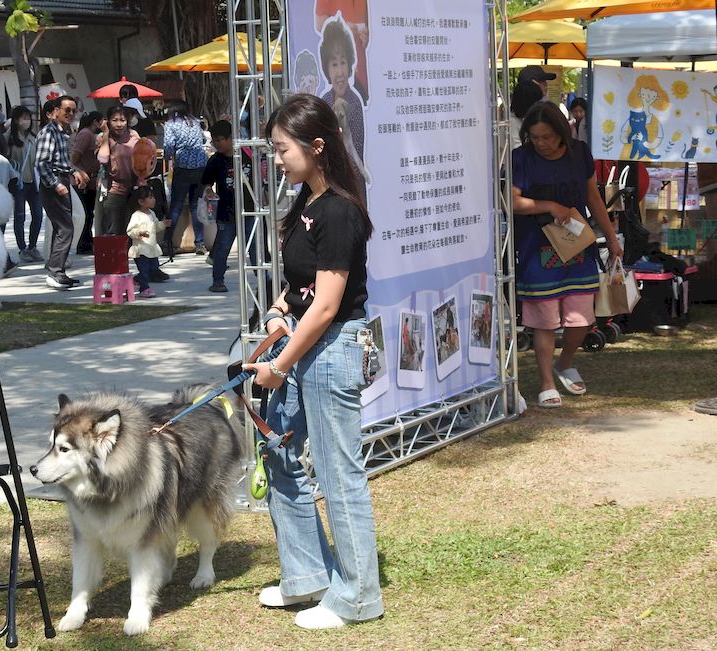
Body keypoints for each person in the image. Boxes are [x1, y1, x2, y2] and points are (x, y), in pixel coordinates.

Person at [243, 94, 383, 630]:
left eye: (283, 149)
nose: (277, 159)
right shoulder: (307, 201)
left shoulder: (340, 211)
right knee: (279, 452)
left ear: (316, 146)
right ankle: (307, 577)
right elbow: (303, 285)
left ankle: (357, 597)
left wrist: (278, 366)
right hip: (303, 345)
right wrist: (279, 310)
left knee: (337, 473)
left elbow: (326, 306)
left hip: (332, 349)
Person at [512, 102, 623, 408]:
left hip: (578, 243)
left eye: (547, 137)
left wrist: (611, 237)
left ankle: (565, 362)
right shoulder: (521, 158)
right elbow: (513, 202)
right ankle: (546, 381)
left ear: (561, 132)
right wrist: (549, 206)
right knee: (545, 319)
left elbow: (593, 197)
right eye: (535, 137)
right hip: (535, 245)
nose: (541, 143)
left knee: (580, 317)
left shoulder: (579, 153)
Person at [35, 95, 89, 290]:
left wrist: (74, 172)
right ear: (55, 111)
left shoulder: (61, 132)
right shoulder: (48, 132)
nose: (71, 114)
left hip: (62, 179)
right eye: (67, 110)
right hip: (53, 184)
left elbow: (62, 162)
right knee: (65, 228)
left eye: (74, 110)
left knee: (63, 228)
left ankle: (58, 272)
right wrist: (56, 184)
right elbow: (42, 163)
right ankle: (55, 272)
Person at [201, 119, 256, 293]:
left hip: (250, 210)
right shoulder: (215, 161)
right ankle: (218, 281)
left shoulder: (248, 154)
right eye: (214, 141)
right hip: (226, 213)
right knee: (222, 248)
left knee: (254, 247)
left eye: (220, 140)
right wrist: (208, 191)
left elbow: (259, 179)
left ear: (231, 137)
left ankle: (264, 278)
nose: (216, 144)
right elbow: (206, 182)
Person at [319, 18, 366, 203]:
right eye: (334, 64)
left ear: (350, 65)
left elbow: (358, 151)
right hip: (330, 187)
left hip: (354, 188)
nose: (339, 72)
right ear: (327, 69)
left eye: (343, 62)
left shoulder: (355, 103)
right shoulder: (324, 102)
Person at [163, 101, 209, 255]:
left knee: (176, 205)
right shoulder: (194, 121)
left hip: (183, 166)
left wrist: (167, 157)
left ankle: (167, 242)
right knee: (196, 205)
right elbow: (203, 140)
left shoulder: (171, 124)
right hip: (200, 166)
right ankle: (200, 243)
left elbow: (169, 146)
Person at [5, 105, 44, 263]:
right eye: (24, 118)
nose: (27, 121)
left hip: (33, 181)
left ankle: (32, 246)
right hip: (17, 183)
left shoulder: (32, 137)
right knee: (20, 216)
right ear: (16, 120)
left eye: (28, 118)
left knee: (38, 214)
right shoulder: (9, 137)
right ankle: (22, 249)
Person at [94, 105, 139, 236]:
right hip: (113, 189)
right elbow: (103, 159)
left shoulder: (133, 135)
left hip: (133, 188)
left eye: (122, 120)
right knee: (113, 231)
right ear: (107, 121)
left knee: (132, 230)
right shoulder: (102, 137)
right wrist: (106, 134)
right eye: (114, 120)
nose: (119, 124)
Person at [315, 0, 369, 104]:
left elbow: (376, 24)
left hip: (365, 74)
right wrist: (343, 28)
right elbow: (319, 24)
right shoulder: (326, 99)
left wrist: (370, 37)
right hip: (339, 55)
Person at [125, 185, 170, 299]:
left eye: (153, 197)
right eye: (150, 198)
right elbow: (130, 231)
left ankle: (136, 279)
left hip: (151, 248)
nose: (153, 199)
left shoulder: (151, 213)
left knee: (153, 268)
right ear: (141, 201)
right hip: (141, 249)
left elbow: (155, 226)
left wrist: (163, 224)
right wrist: (139, 233)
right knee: (144, 270)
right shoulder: (136, 215)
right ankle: (144, 289)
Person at [70, 110, 103, 253]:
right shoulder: (86, 134)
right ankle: (83, 243)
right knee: (85, 212)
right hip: (82, 180)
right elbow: (75, 156)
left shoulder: (91, 135)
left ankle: (87, 240)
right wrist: (80, 171)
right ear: (95, 121)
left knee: (89, 212)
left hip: (90, 180)